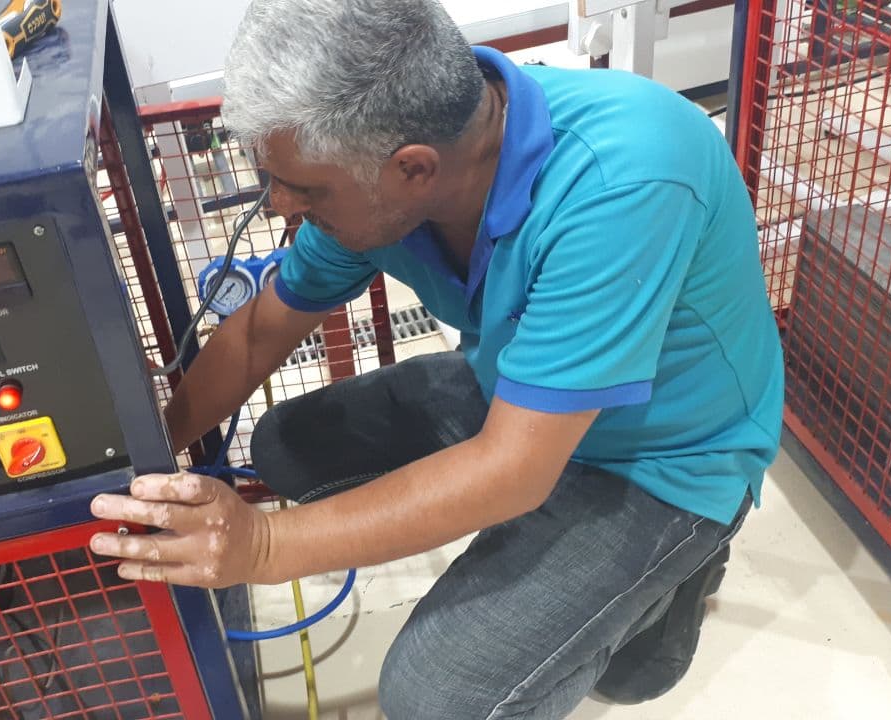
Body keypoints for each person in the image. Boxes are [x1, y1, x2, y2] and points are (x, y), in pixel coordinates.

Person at [88, 0, 785, 716]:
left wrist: (261, 545)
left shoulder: (624, 180)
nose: (280, 207)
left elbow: (513, 471)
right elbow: (261, 332)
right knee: (288, 446)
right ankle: (553, 557)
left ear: (412, 169)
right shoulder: (379, 181)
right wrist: (140, 452)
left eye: (305, 189)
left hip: (663, 456)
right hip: (521, 396)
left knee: (443, 698)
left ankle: (678, 568)